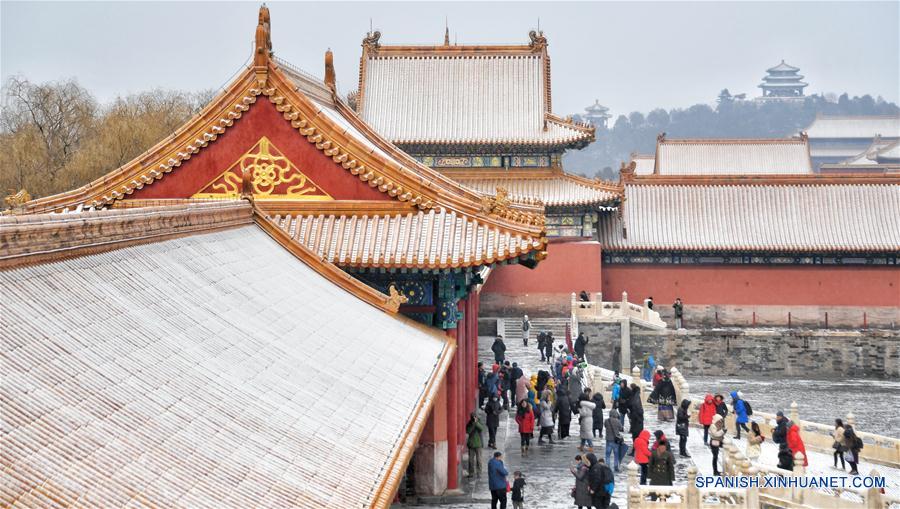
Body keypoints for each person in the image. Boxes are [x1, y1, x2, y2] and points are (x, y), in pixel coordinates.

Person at [465, 413, 484, 477]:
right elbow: (468, 431)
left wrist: (476, 423)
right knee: (470, 460)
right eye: (473, 417)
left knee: (479, 460)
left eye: (475, 416)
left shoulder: (479, 422)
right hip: (471, 444)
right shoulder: (469, 424)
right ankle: (471, 473)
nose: (474, 418)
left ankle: (479, 473)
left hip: (478, 444)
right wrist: (473, 424)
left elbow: (481, 428)